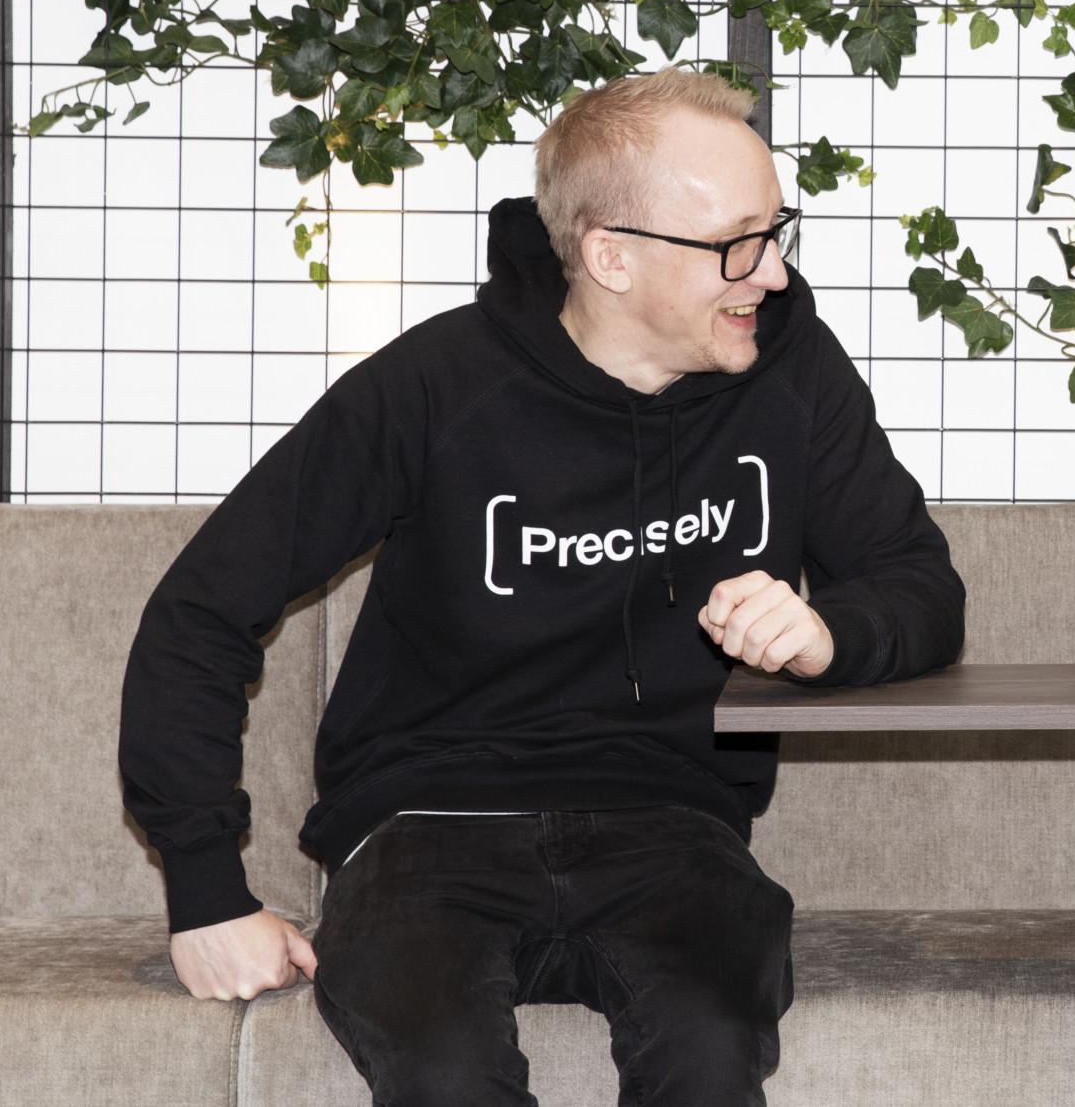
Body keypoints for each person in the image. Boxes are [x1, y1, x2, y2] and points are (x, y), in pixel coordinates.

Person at [119, 67, 966, 1106]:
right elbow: (202, 611)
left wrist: (830, 632)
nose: (774, 274)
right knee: (443, 1070)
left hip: (671, 819)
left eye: (777, 229)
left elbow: (920, 587)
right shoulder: (431, 388)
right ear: (609, 254)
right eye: (739, 242)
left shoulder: (793, 378)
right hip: (424, 821)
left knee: (709, 1047)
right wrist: (207, 894)